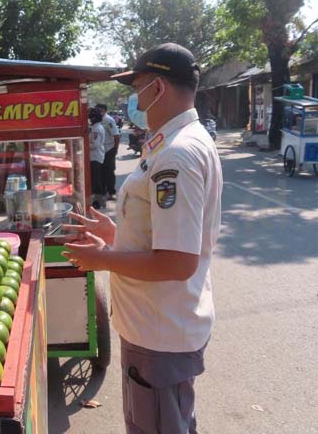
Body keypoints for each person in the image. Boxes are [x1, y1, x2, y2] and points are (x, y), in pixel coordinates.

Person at [62, 43, 222, 434]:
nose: (135, 98)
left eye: (137, 88)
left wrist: (103, 258)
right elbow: (166, 238)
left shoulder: (178, 155)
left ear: (158, 88)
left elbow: (177, 261)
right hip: (157, 328)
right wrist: (115, 235)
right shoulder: (174, 143)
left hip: (159, 333)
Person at [97, 103, 121, 199]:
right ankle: (103, 192)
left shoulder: (108, 120)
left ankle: (112, 192)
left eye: (100, 111)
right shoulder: (95, 120)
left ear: (104, 111)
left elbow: (116, 136)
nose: (99, 112)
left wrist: (115, 149)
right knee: (100, 172)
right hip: (99, 150)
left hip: (109, 149)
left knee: (110, 171)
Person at [88, 107, 106, 209]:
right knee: (97, 179)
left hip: (95, 156)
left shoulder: (96, 129)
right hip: (95, 156)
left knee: (96, 181)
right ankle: (99, 200)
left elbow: (95, 144)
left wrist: (85, 146)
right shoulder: (95, 127)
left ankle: (98, 202)